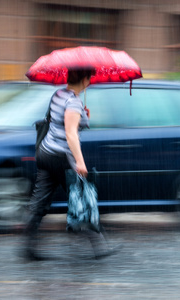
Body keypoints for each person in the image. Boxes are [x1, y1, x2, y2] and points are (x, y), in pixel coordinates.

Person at [23, 68, 116, 261]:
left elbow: (57, 121)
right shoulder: (73, 102)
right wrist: (80, 162)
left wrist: (83, 115)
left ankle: (27, 247)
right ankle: (99, 246)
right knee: (82, 199)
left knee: (40, 202)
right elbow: (70, 133)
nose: (90, 80)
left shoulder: (58, 94)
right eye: (89, 77)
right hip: (61, 157)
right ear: (84, 79)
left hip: (45, 153)